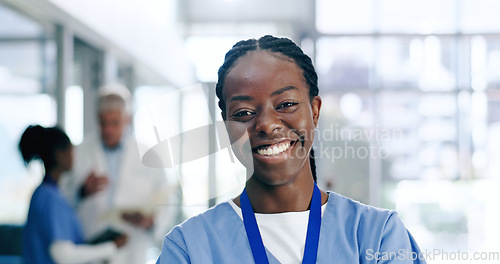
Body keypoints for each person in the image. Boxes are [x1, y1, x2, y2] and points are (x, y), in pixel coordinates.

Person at [155, 35, 426, 264]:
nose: (267, 124)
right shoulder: (188, 249)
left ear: (315, 111)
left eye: (285, 105)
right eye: (244, 112)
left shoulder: (377, 237)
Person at [60, 84, 172, 264]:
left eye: (114, 123)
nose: (108, 130)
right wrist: (81, 192)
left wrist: (150, 222)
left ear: (127, 119)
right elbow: (62, 200)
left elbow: (165, 201)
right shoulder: (80, 152)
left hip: (131, 249)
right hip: (90, 247)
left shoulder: (148, 155)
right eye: (103, 123)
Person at [20, 125, 128, 264]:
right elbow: (63, 255)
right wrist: (111, 247)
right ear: (60, 155)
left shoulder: (45, 193)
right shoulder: (50, 198)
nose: (74, 155)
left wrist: (82, 193)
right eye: (71, 150)